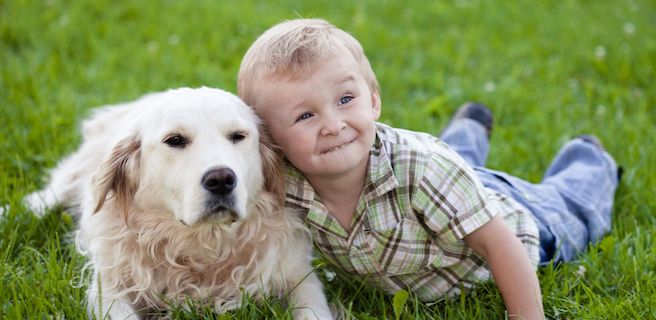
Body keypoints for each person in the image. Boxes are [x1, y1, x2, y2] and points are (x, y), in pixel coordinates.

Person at [237, 18, 620, 319]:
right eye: (305, 115)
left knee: (574, 208)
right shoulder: (281, 181)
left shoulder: (422, 169)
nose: (333, 124)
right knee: (454, 173)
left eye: (346, 99)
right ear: (272, 140)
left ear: (373, 101)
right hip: (449, 194)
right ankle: (466, 133)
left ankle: (588, 158)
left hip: (522, 223)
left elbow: (500, 243)